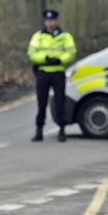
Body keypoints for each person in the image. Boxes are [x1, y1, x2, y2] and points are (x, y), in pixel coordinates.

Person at [27, 9, 76, 142]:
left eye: (52, 20)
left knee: (60, 101)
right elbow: (32, 52)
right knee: (41, 103)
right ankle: (39, 130)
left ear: (56, 20)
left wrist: (60, 60)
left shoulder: (65, 36)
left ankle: (62, 129)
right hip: (43, 72)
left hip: (58, 72)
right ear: (45, 21)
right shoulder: (38, 36)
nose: (50, 23)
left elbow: (71, 52)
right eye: (48, 20)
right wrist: (46, 58)